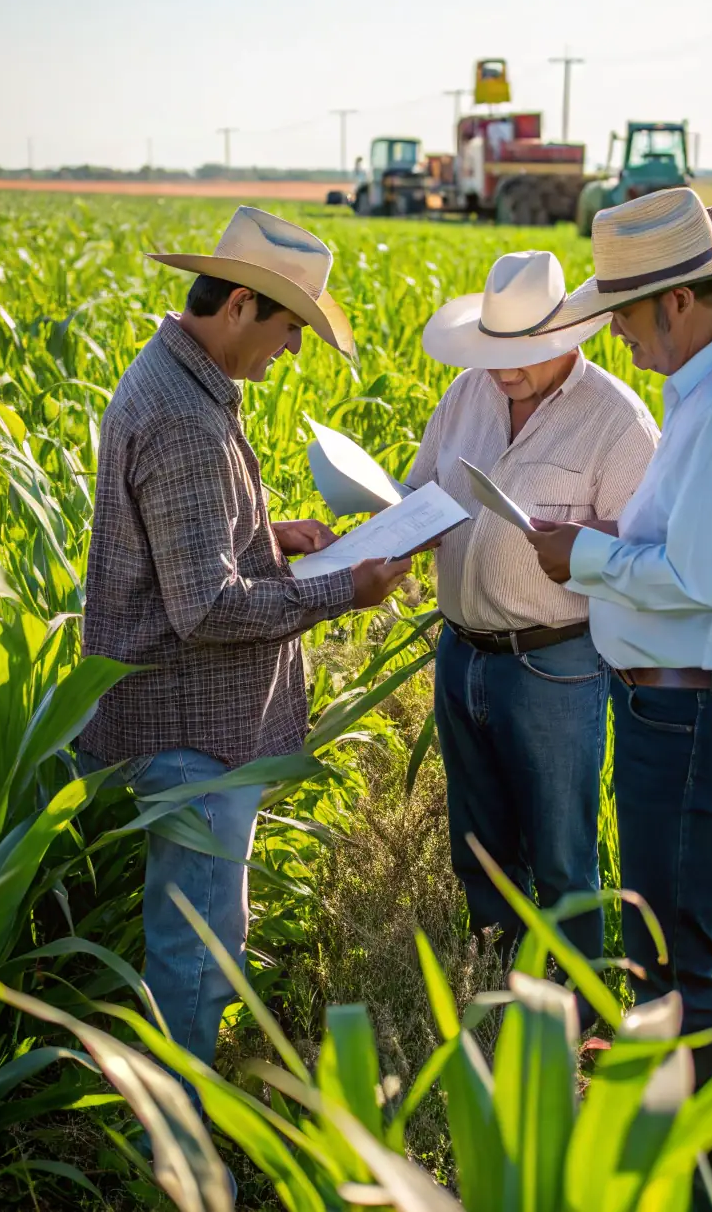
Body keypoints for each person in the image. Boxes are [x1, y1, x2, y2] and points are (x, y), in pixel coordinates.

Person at [521, 187, 712, 1197]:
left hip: (695, 714)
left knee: (672, 956)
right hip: (699, 705)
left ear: (678, 303)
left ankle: (687, 1171)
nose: (617, 334)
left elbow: (702, 577)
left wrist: (585, 554)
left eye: (623, 311)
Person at [80, 205, 411, 1101]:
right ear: (236, 306)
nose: (294, 349)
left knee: (203, 934)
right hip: (191, 733)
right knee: (194, 948)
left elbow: (191, 550)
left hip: (196, 726)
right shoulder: (185, 417)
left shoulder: (181, 384)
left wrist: (276, 536)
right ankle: (181, 1149)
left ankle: (181, 1110)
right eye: (289, 327)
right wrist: (350, 586)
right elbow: (208, 607)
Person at [408, 249, 659, 1017]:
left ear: (566, 335)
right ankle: (498, 996)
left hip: (555, 666)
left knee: (562, 857)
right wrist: (395, 524)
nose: (502, 371)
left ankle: (577, 1013)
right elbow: (422, 486)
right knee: (479, 845)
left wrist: (581, 545)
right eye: (494, 353)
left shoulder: (616, 421)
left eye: (521, 356)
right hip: (462, 654)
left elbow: (647, 548)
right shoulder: (465, 395)